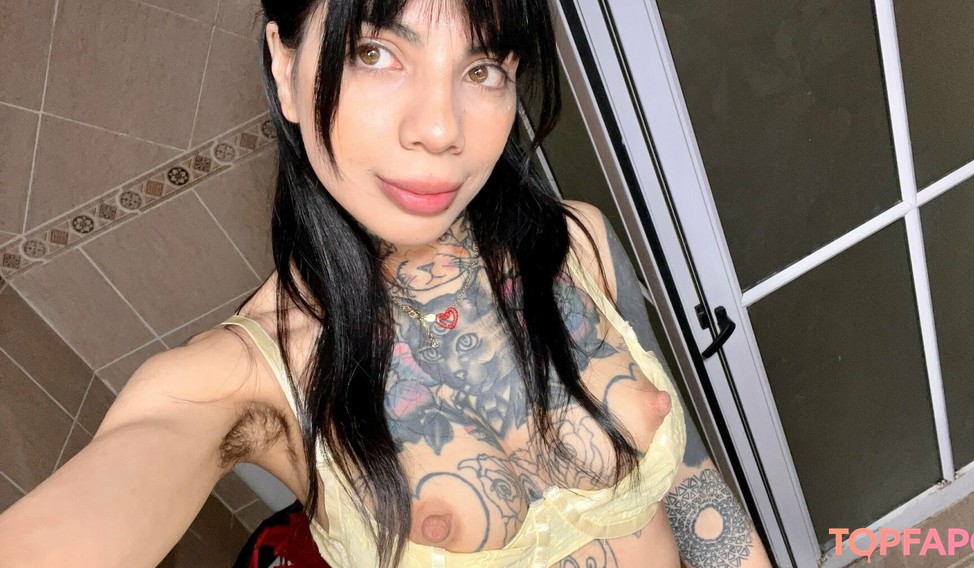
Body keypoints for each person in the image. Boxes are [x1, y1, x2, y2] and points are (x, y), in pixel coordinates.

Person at [0, 1, 773, 566]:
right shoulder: (240, 382)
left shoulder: (574, 242)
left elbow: (693, 487)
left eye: (482, 68)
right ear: (285, 64)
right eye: (375, 52)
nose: (441, 129)